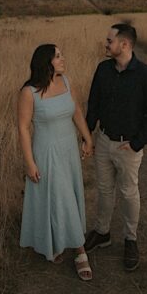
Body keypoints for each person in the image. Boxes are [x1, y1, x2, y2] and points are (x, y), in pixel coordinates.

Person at [84, 23, 147, 272]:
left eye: (109, 41)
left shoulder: (146, 76)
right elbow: (93, 105)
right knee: (105, 190)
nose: (106, 44)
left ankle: (130, 239)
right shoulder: (103, 69)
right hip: (105, 141)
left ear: (124, 45)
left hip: (129, 147)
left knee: (129, 193)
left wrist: (137, 143)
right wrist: (88, 136)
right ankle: (102, 232)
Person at [17, 43, 95, 281]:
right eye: (58, 56)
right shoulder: (29, 92)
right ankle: (80, 251)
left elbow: (77, 112)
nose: (63, 59)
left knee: (68, 195)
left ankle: (61, 241)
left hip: (68, 150)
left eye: (62, 55)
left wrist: (87, 138)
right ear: (46, 63)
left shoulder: (67, 82)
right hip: (47, 152)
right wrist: (30, 163)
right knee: (57, 196)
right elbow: (23, 127)